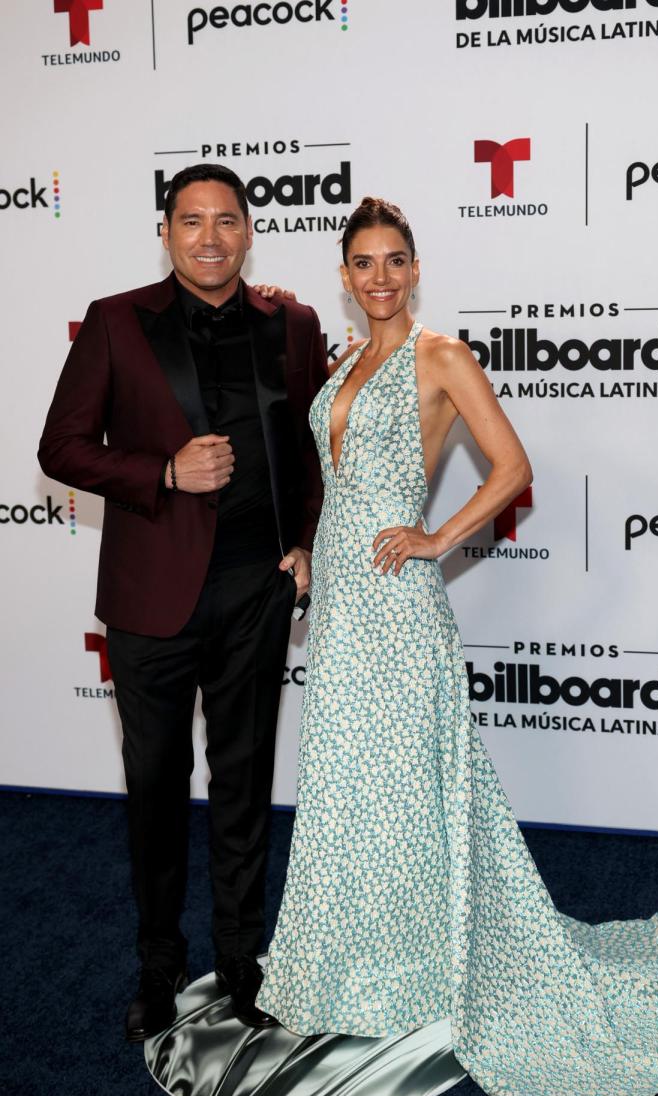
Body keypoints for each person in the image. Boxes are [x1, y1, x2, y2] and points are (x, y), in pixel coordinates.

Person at [254, 197, 658, 1096]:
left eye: (395, 259)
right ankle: (357, 967)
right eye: (362, 262)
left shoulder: (440, 356)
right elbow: (338, 477)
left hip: (400, 605)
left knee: (407, 789)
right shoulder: (344, 358)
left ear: (416, 266)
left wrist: (439, 536)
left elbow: (513, 466)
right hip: (346, 604)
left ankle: (421, 971)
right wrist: (313, 548)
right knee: (350, 789)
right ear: (345, 274)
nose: (380, 277)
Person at [38, 164, 328, 1042]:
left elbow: (316, 446)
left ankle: (243, 965)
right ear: (165, 233)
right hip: (149, 601)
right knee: (156, 791)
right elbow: (62, 448)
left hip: (255, 593)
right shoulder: (116, 321)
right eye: (191, 220)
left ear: (249, 232)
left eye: (226, 220)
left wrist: (307, 541)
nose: (209, 236)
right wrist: (162, 471)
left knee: (243, 789)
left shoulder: (297, 322)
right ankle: (158, 966)